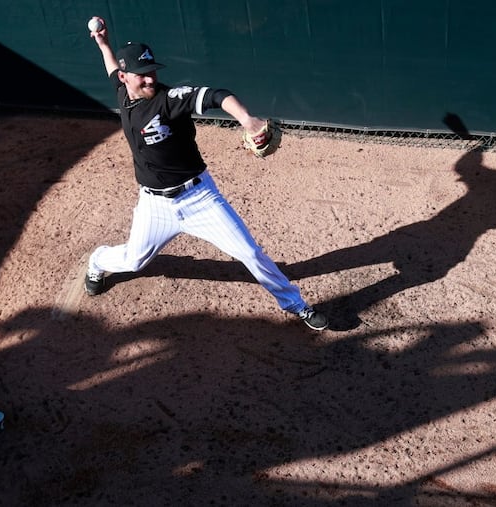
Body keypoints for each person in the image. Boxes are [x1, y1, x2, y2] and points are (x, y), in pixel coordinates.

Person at [85, 17, 328, 331]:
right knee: (133, 261)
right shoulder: (122, 92)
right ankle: (97, 262)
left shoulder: (169, 100)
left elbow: (217, 95)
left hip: (199, 197)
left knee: (249, 253)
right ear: (124, 77)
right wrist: (103, 43)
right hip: (154, 205)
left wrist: (247, 120)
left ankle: (297, 305)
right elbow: (109, 69)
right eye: (142, 76)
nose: (150, 80)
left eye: (152, 72)